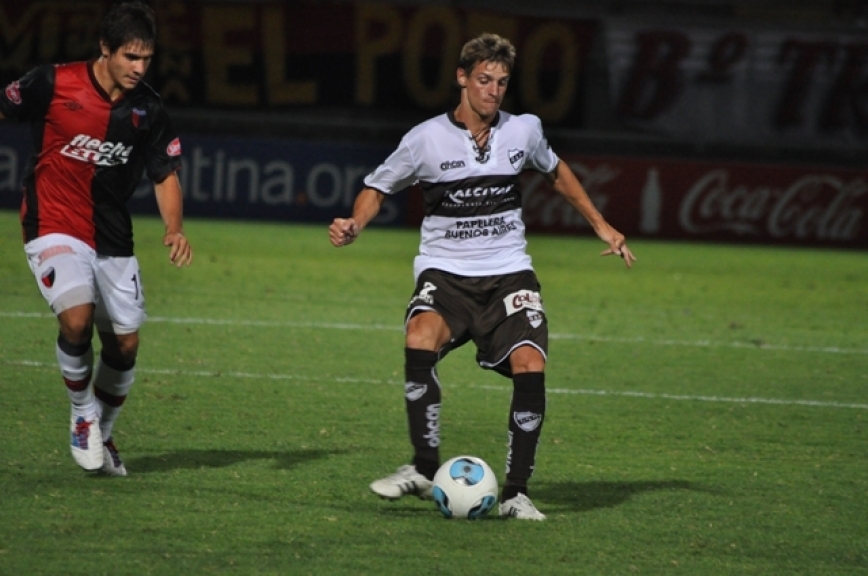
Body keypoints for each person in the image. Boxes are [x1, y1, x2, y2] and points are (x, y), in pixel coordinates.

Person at [329, 33, 635, 520]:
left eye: (502, 82)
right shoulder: (425, 139)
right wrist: (355, 223)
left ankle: (516, 494)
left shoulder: (523, 130)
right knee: (419, 335)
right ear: (462, 78)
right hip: (447, 273)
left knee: (531, 364)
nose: (493, 91)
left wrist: (601, 224)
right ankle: (423, 468)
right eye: (485, 80)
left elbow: (556, 171)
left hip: (508, 274)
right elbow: (377, 187)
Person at [0, 1, 192, 476]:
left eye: (147, 58)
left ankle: (102, 433)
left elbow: (165, 174)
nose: (139, 68)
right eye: (131, 56)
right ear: (105, 48)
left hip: (111, 234)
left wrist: (174, 228)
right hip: (51, 222)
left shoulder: (148, 108)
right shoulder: (53, 82)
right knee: (77, 318)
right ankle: (82, 414)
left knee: (125, 345)